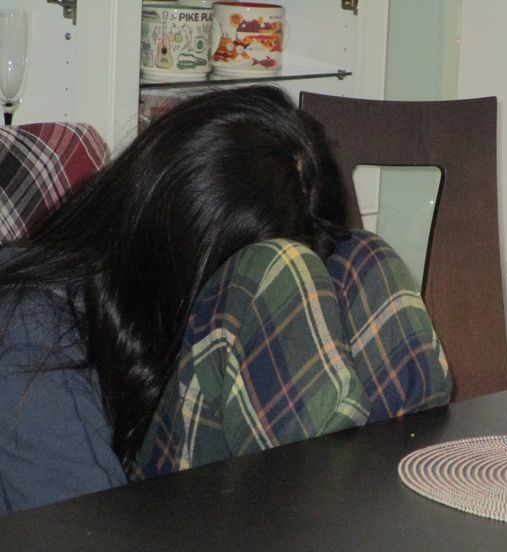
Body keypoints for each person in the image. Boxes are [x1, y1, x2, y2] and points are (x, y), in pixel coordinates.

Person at [0, 86, 451, 513]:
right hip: (121, 526)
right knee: (279, 270)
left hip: (278, 511)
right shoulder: (30, 325)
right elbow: (76, 529)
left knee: (361, 258)